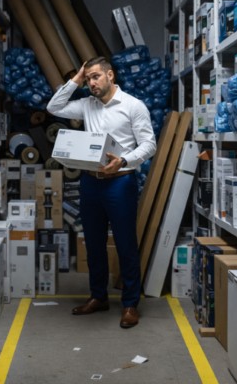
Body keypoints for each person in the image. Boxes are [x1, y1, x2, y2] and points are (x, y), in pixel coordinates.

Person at [47, 56, 156, 329]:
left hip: (120, 182)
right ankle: (98, 297)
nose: (91, 83)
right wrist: (76, 78)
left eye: (96, 76)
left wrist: (124, 161)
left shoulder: (133, 106)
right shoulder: (87, 105)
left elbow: (149, 144)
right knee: (93, 243)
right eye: (88, 78)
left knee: (125, 243)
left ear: (110, 75)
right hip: (91, 182)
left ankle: (130, 303)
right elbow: (53, 106)